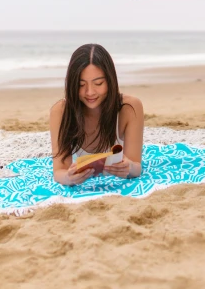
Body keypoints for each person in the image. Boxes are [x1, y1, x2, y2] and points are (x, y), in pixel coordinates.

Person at [49, 43, 144, 186]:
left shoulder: (130, 108)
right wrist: (69, 178)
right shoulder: (61, 111)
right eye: (81, 85)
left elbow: (136, 167)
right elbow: (60, 171)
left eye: (98, 83)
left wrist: (129, 167)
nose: (90, 92)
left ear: (110, 81)